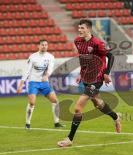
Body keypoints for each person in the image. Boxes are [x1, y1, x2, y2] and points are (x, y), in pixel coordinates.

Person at [57, 19, 121, 147]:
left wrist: (106, 73)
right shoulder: (77, 41)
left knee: (77, 107)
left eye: (82, 28)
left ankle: (69, 139)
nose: (79, 30)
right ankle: (116, 117)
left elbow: (111, 56)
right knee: (98, 103)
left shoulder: (97, 43)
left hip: (97, 78)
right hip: (87, 77)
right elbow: (84, 59)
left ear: (89, 29)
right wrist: (81, 74)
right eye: (79, 28)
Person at [17, 39, 63, 129]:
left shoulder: (50, 57)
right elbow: (27, 71)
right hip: (33, 82)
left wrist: (47, 75)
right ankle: (27, 124)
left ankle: (57, 123)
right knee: (32, 103)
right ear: (38, 46)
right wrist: (21, 84)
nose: (44, 46)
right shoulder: (33, 57)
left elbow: (50, 69)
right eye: (42, 45)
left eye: (46, 45)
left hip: (44, 83)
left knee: (55, 101)